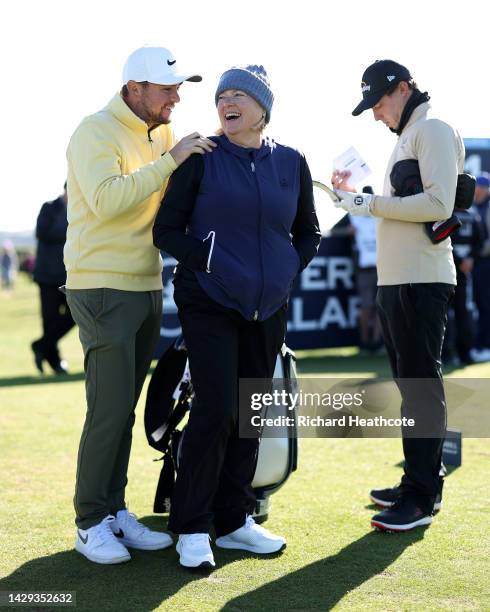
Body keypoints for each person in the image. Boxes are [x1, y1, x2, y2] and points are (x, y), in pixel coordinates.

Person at [153, 64, 321, 568]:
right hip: (208, 299)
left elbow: (308, 231)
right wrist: (207, 259)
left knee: (252, 412)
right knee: (216, 408)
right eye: (221, 96)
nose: (226, 102)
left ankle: (234, 520)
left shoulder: (292, 161)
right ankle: (191, 526)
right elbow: (167, 231)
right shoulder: (201, 158)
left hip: (267, 304)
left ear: (261, 109)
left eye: (237, 96)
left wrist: (287, 268)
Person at [64, 45, 215, 565]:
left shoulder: (165, 133)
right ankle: (89, 522)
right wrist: (171, 160)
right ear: (135, 89)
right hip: (101, 286)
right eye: (167, 87)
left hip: (145, 283)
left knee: (124, 409)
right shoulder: (94, 131)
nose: (177, 95)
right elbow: (106, 200)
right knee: (107, 411)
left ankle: (113, 509)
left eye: (179, 88)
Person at [332, 59, 464, 531]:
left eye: (379, 102)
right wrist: (363, 201)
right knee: (412, 388)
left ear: (404, 89)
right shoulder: (413, 135)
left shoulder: (432, 129)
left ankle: (423, 495)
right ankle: (418, 482)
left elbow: (438, 204)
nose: (375, 113)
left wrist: (367, 203)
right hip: (402, 280)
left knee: (420, 387)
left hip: (420, 280)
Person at [31, 182, 75, 374]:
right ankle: (55, 362)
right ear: (66, 189)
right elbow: (42, 232)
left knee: (75, 314)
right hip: (47, 276)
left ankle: (40, 345)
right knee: (50, 320)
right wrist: (72, 228)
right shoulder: (50, 208)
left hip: (69, 276)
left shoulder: (79, 209)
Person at [442, 204, 482, 366]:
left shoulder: (446, 214)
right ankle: (457, 353)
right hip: (455, 270)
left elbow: (480, 241)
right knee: (456, 313)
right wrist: (468, 259)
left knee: (454, 314)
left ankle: (456, 353)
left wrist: (468, 260)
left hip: (454, 271)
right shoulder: (473, 215)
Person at [470, 174, 490, 361]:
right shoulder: (473, 206)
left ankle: (485, 345)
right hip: (478, 262)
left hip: (485, 261)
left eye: (481, 187)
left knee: (486, 304)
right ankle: (481, 344)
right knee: (481, 304)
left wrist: (476, 251)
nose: (477, 191)